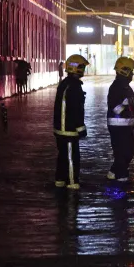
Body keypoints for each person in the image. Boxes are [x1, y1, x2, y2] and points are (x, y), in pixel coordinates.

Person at [54, 54, 89, 190]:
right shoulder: (74, 86)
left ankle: (60, 180)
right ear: (75, 68)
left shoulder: (65, 84)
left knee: (62, 155)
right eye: (81, 67)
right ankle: (72, 182)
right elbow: (76, 109)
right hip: (69, 129)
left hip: (61, 128)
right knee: (71, 157)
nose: (83, 70)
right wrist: (80, 128)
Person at [107, 57, 134, 182]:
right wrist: (124, 103)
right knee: (121, 152)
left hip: (127, 126)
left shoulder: (126, 87)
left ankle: (114, 171)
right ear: (124, 71)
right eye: (131, 71)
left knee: (130, 150)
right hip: (118, 127)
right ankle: (121, 177)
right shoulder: (116, 87)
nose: (132, 74)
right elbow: (115, 108)